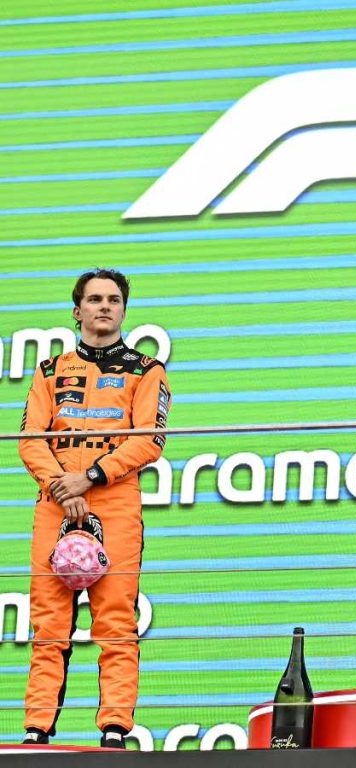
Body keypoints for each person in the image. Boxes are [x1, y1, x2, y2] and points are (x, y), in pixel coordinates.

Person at [18, 269, 170, 748]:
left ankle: (114, 729)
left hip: (114, 501)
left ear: (124, 310)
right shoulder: (48, 371)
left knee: (116, 620)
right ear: (77, 310)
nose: (104, 306)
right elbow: (29, 440)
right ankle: (37, 728)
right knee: (48, 622)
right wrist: (63, 487)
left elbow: (149, 440)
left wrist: (91, 476)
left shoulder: (147, 370)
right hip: (55, 501)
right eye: (94, 299)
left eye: (113, 300)